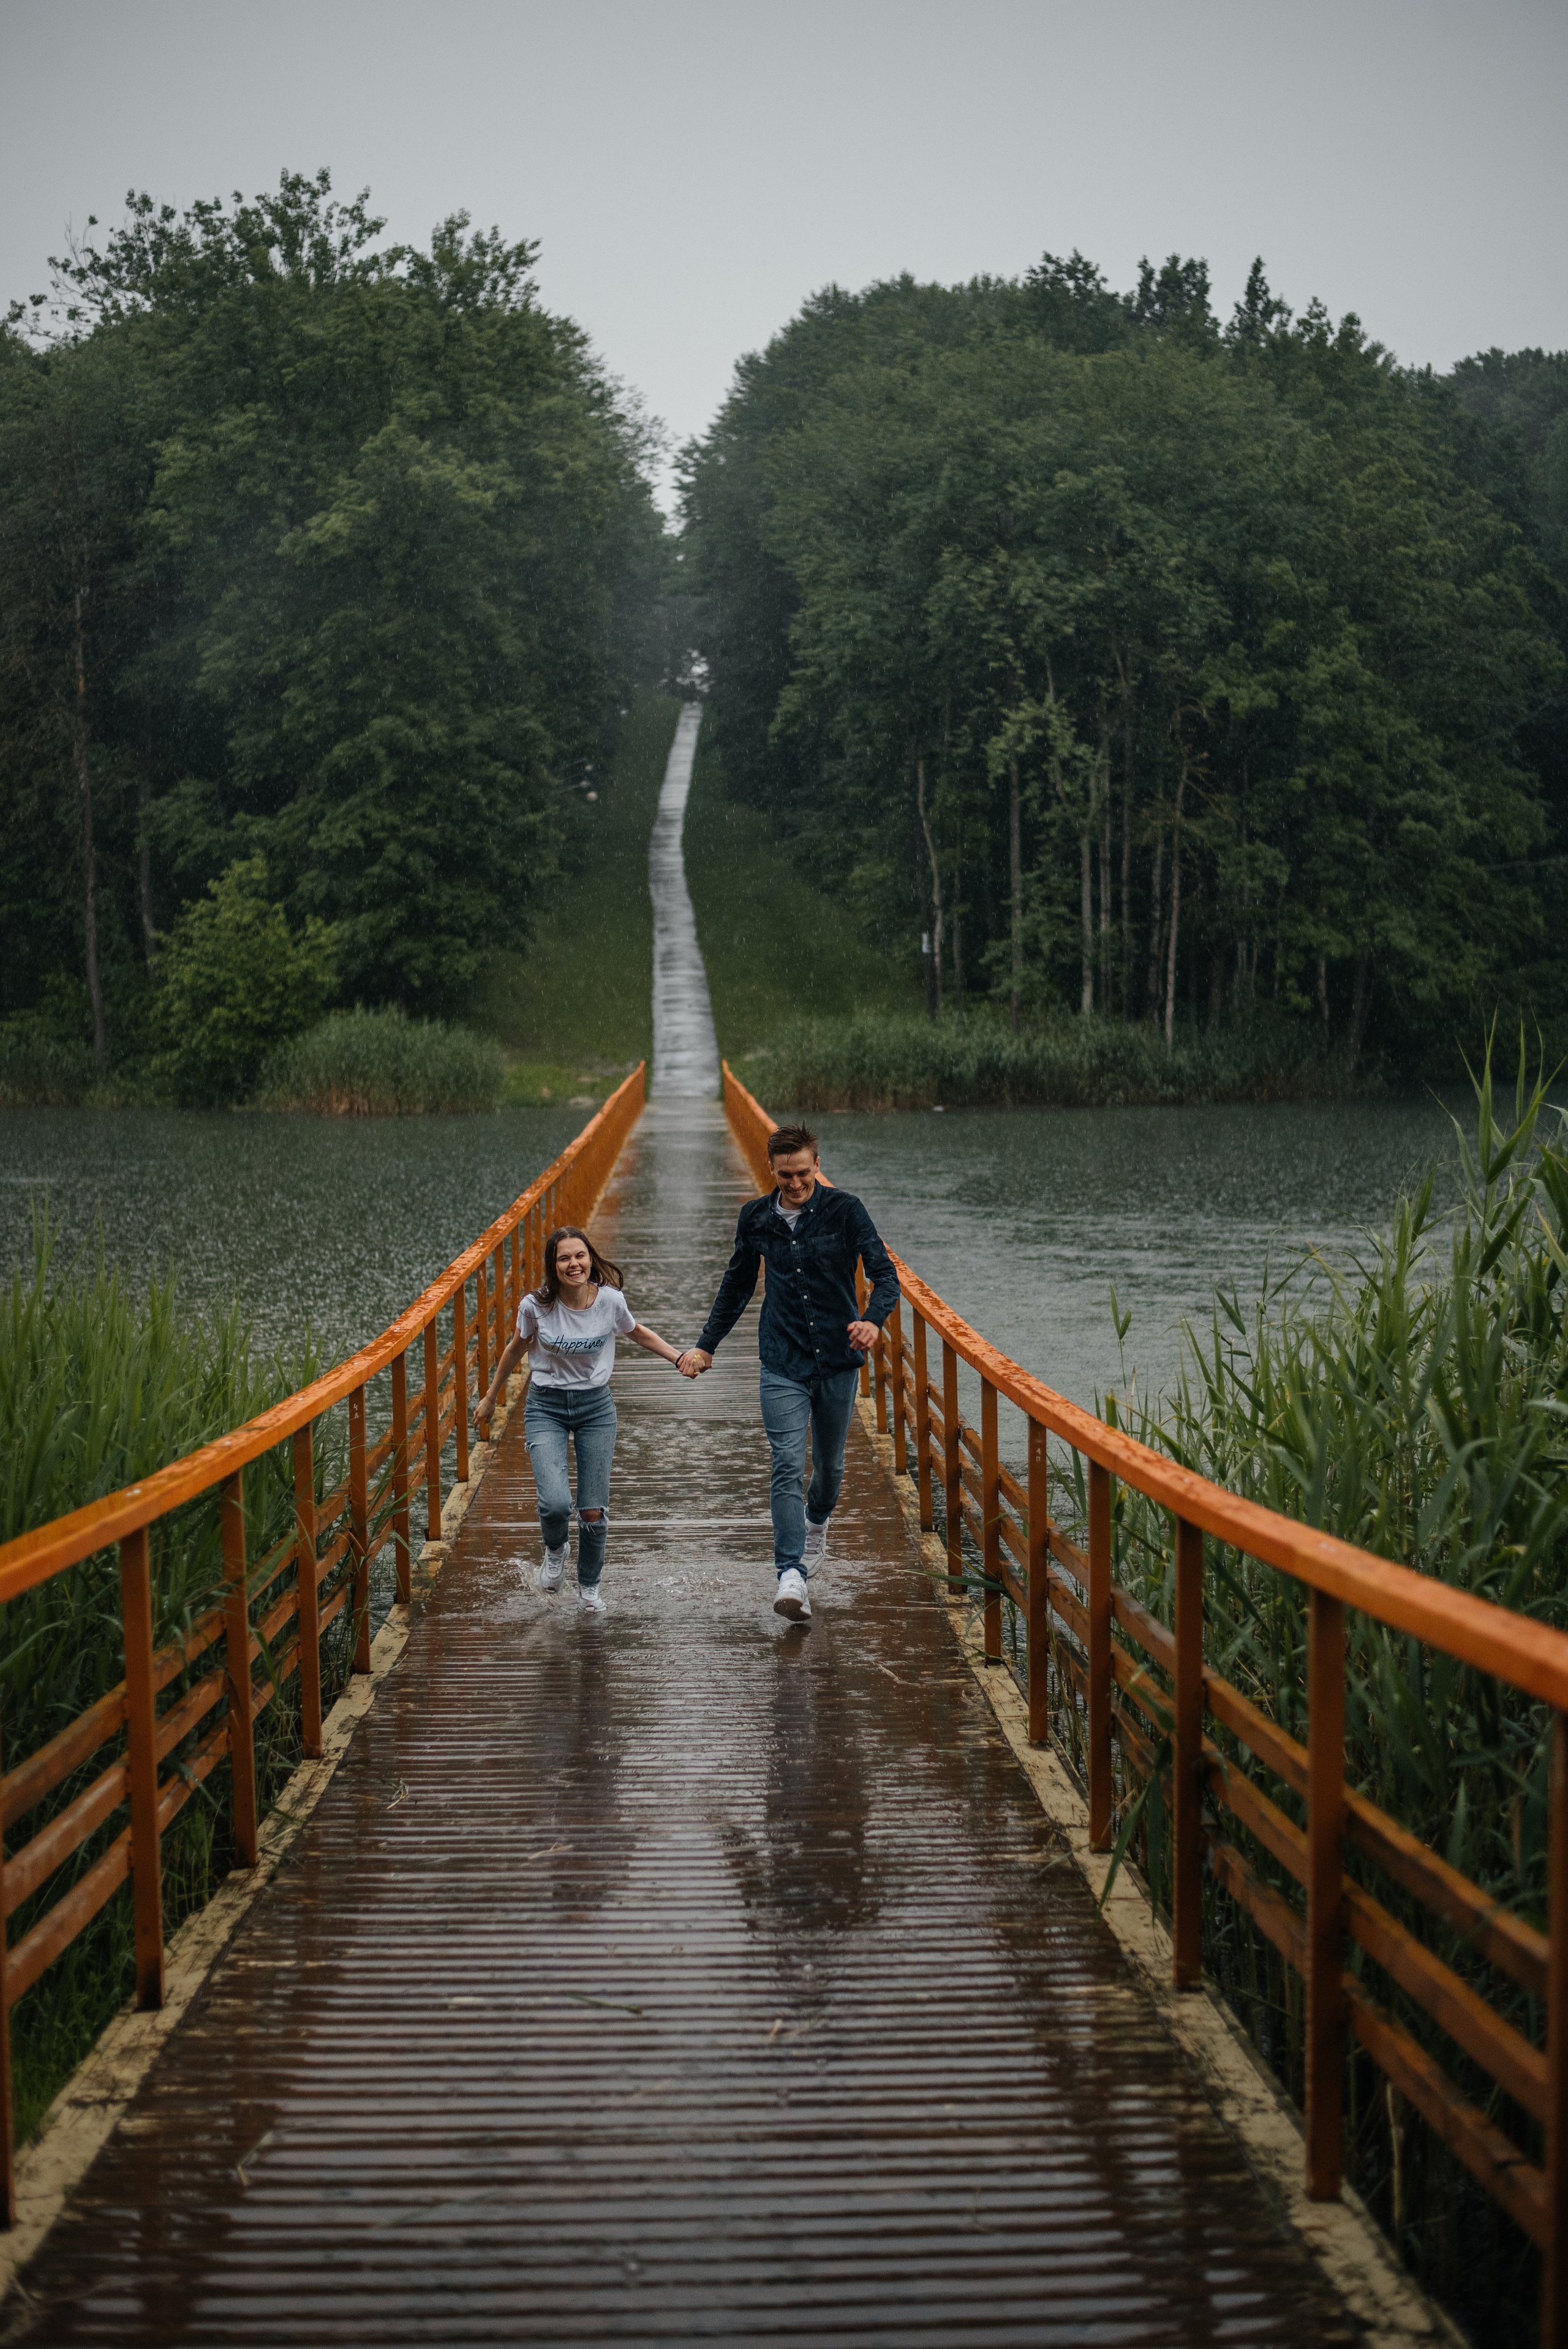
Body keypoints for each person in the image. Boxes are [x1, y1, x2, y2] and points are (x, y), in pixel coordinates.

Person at [679, 1125, 899, 1624]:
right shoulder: (756, 1218)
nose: (795, 1184)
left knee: (830, 1468)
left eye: (803, 1173)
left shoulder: (846, 1210)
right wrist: (706, 1345)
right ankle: (791, 1575)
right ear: (770, 1171)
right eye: (785, 1176)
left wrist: (872, 1320)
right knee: (785, 1463)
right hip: (782, 1360)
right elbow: (736, 1284)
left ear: (817, 1164)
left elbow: (885, 1274)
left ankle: (816, 1524)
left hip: (838, 1361)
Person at [475, 1225, 690, 1614]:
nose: (574, 1264)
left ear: (590, 1258)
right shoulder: (535, 1306)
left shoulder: (609, 1301)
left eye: (580, 1256)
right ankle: (556, 1549)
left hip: (596, 1409)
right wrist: (491, 1398)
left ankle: (589, 1588)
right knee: (556, 1504)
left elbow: (637, 1333)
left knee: (593, 1510)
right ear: (552, 1266)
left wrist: (678, 1358)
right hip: (546, 1407)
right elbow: (516, 1348)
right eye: (564, 1258)